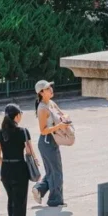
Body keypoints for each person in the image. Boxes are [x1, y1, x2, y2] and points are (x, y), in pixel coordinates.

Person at [0, 103, 37, 216]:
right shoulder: (23, 131)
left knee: (11, 199)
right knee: (20, 203)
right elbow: (30, 152)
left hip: (5, 169)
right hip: (19, 168)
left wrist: (5, 164)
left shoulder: (0, 132)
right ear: (17, 116)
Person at [32, 80, 69, 208]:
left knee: (52, 171)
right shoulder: (42, 108)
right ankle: (55, 200)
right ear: (41, 93)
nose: (51, 89)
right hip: (47, 141)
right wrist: (59, 126)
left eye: (50, 87)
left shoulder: (51, 103)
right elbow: (42, 130)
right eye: (47, 88)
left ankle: (39, 189)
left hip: (53, 140)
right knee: (56, 171)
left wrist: (65, 118)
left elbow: (62, 113)